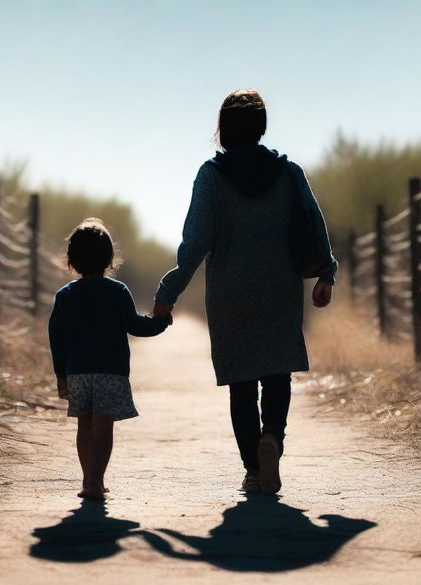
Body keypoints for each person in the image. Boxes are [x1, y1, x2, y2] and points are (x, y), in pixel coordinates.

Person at [153, 89, 337, 494]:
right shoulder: (289, 173)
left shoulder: (211, 177)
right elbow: (313, 222)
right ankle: (272, 435)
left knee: (241, 382)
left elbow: (195, 241)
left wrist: (168, 291)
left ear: (223, 129)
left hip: (229, 295)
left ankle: (254, 468)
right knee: (276, 373)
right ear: (262, 126)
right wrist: (326, 272)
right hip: (280, 288)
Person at [49, 218, 171, 500]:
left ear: (72, 261)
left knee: (84, 426)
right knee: (103, 427)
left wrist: (61, 374)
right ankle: (96, 480)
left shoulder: (65, 296)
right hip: (111, 372)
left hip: (78, 372)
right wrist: (161, 322)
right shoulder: (118, 292)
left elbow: (56, 337)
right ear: (109, 259)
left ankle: (87, 479)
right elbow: (136, 326)